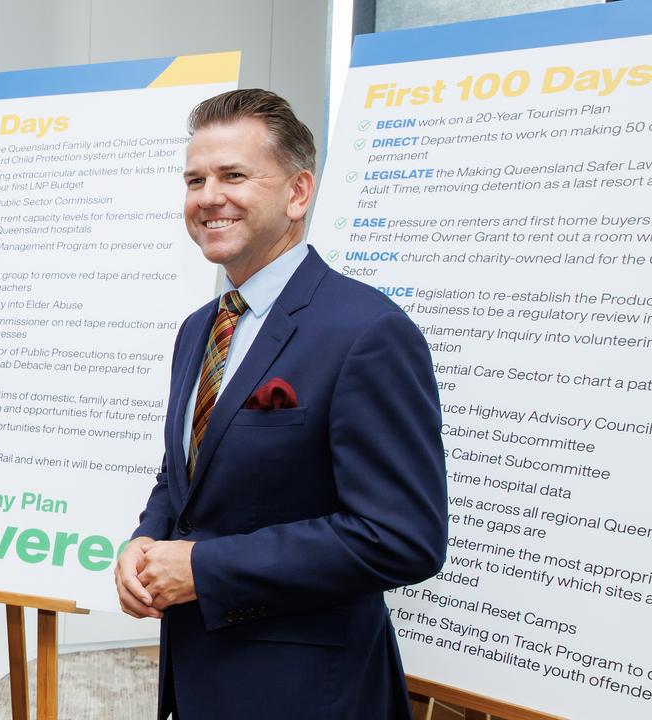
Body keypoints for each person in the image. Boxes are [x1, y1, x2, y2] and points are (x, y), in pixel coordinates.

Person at [114, 89, 447, 718]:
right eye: (195, 179)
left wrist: (205, 569)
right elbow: (186, 474)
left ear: (297, 193)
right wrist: (146, 540)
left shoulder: (365, 332)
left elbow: (402, 537)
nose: (209, 196)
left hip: (307, 693)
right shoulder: (200, 327)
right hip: (198, 679)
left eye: (233, 175)